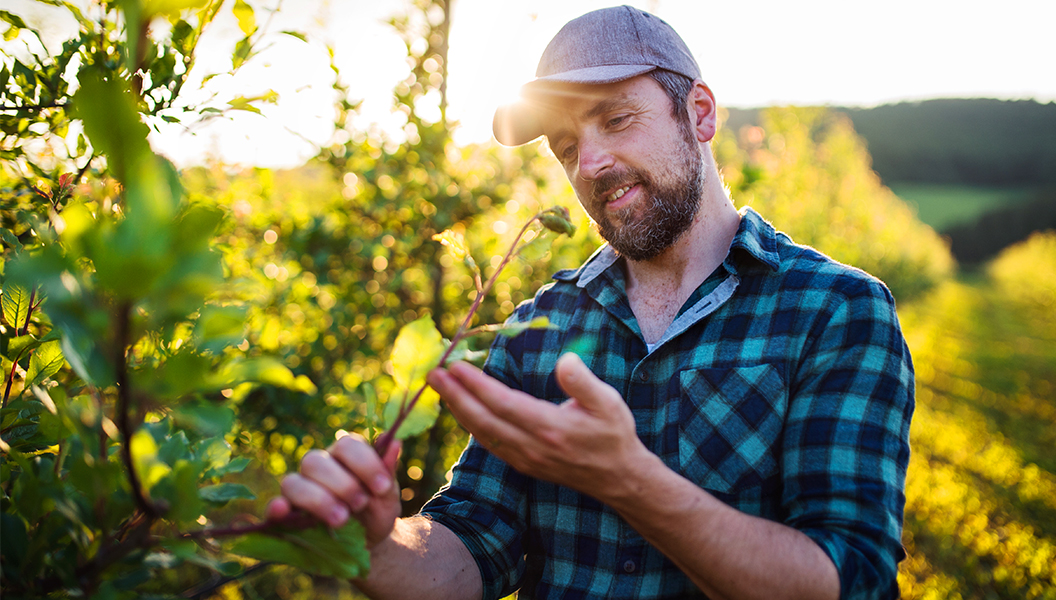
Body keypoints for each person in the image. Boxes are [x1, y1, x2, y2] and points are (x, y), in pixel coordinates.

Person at [267, 6, 914, 600]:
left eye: (617, 118)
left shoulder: (836, 313)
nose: (592, 164)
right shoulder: (537, 329)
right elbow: (473, 547)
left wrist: (628, 480)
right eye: (567, 147)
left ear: (702, 113)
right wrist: (375, 544)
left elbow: (848, 578)